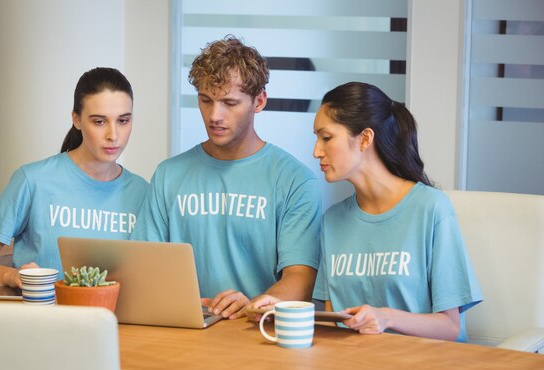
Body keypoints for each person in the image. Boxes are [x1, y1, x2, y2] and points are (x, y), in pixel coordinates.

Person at [132, 36, 321, 319]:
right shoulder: (169, 175)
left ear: (259, 102)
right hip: (184, 330)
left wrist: (253, 306)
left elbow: (300, 280)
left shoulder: (295, 181)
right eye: (205, 101)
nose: (214, 115)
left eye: (229, 103)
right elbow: (143, 266)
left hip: (257, 334)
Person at [312, 81, 482, 342]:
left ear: (365, 138)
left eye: (326, 137)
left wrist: (386, 318)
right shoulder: (333, 221)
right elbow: (333, 326)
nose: (316, 151)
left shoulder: (431, 209)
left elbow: (450, 328)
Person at [0, 67, 148, 288]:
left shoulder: (143, 192)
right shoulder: (33, 180)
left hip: (114, 321)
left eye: (123, 121)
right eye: (99, 121)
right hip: (41, 317)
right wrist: (11, 276)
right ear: (76, 120)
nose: (113, 135)